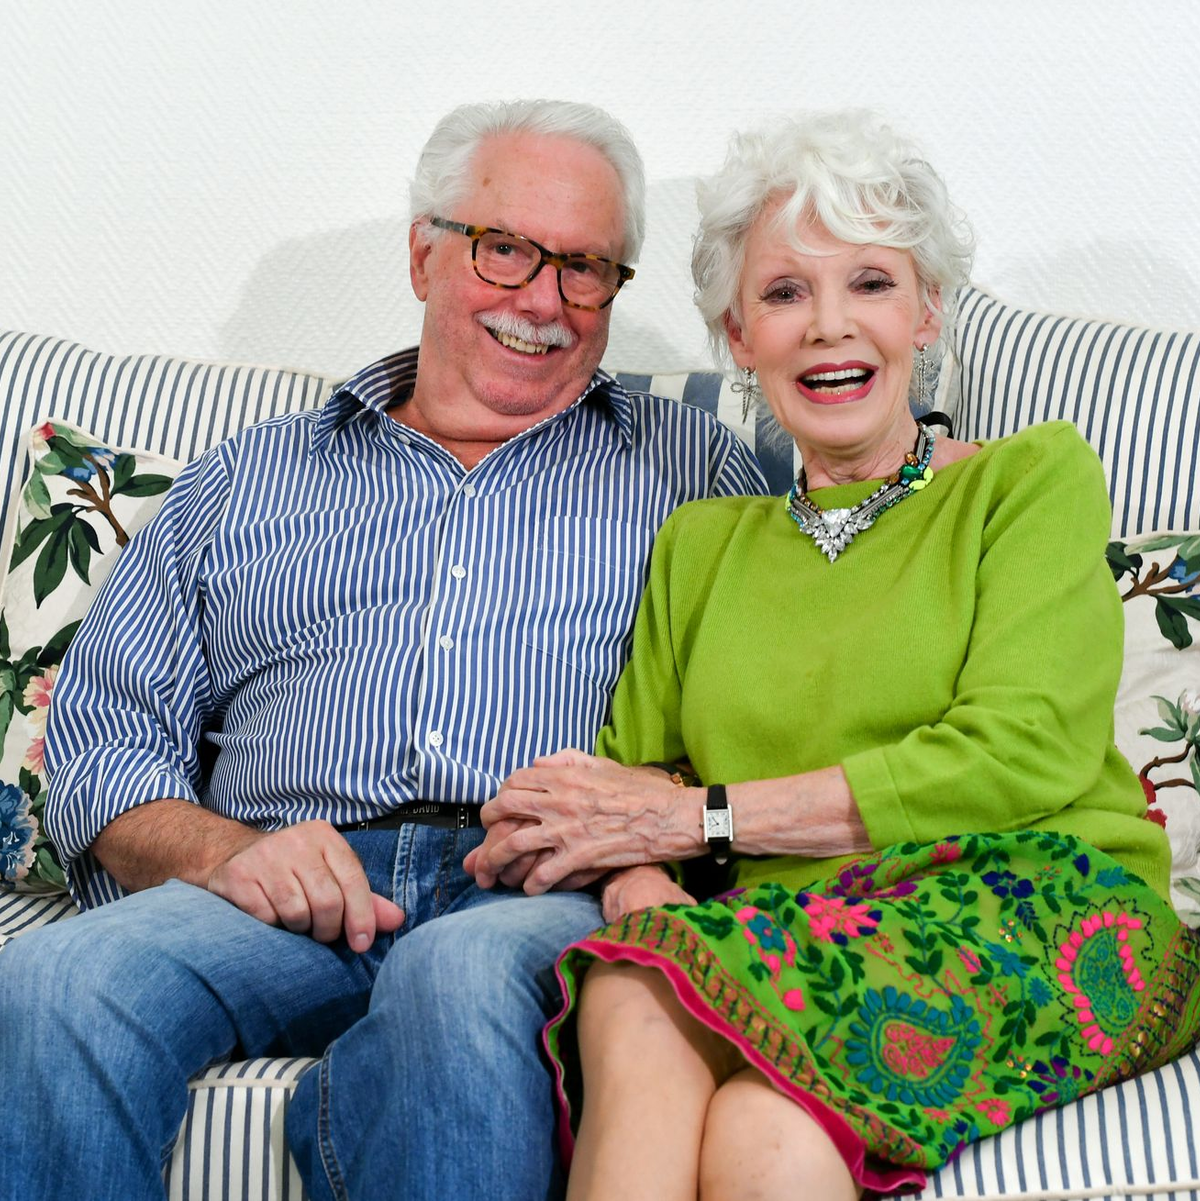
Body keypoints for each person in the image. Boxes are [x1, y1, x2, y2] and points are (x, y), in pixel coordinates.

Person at [0, 99, 766, 1201]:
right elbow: (105, 742)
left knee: (454, 981)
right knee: (56, 982)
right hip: (279, 888)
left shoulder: (698, 469)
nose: (543, 300)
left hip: (540, 892)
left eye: (587, 267)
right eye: (505, 249)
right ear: (423, 253)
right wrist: (226, 852)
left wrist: (929, 469)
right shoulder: (250, 477)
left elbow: (810, 648)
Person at [464, 110, 1200, 1199]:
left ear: (927, 311)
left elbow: (1019, 754)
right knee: (631, 989)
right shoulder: (703, 544)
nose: (827, 327)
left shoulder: (1027, 481)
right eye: (784, 293)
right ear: (735, 334)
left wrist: (700, 818)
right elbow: (629, 782)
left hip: (1031, 899)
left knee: (760, 1118)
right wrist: (634, 880)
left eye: (869, 283)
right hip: (788, 929)